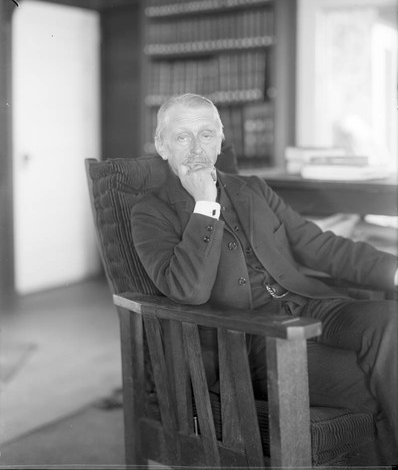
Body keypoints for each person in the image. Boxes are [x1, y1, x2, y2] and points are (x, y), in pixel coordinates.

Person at [131, 93, 398, 458]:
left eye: (206, 134)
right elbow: (188, 290)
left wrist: (394, 270)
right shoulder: (151, 211)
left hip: (313, 308)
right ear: (162, 146)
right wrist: (205, 205)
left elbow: (318, 246)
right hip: (254, 340)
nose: (195, 148)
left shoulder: (252, 188)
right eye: (182, 137)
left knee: (391, 319)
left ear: (221, 140)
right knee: (381, 378)